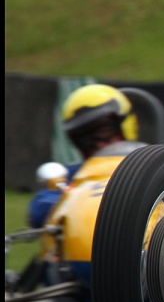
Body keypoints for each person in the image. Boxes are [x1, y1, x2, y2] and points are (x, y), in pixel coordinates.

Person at [27, 84, 137, 228]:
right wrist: (70, 197)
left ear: (123, 126)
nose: (98, 144)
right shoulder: (75, 175)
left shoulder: (155, 166)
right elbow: (39, 210)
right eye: (85, 138)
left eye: (104, 132)